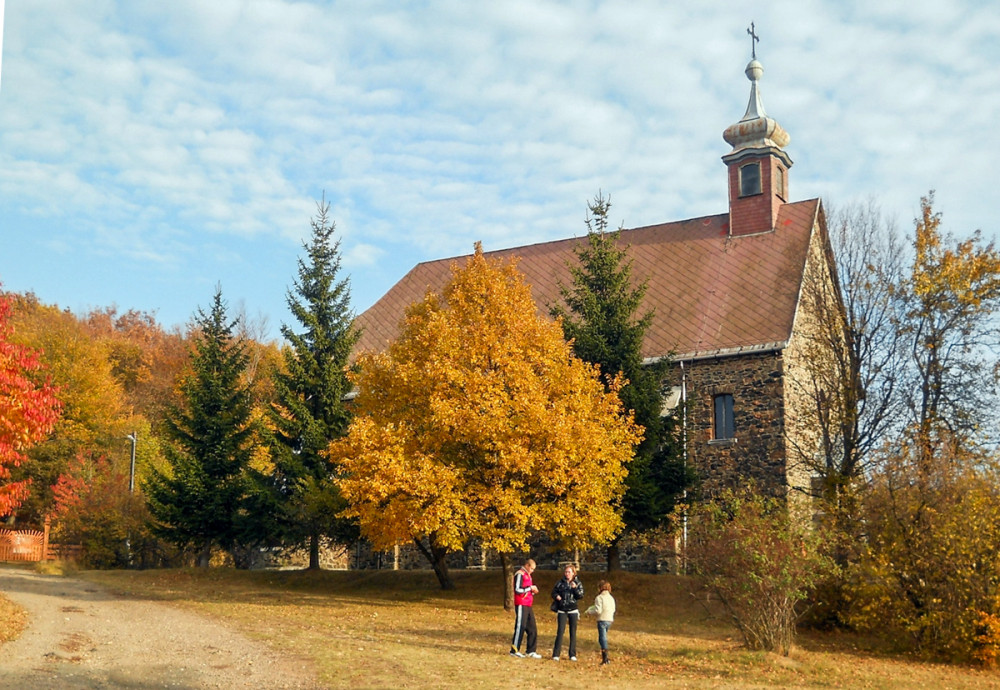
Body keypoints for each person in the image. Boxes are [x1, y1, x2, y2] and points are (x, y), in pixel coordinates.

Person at [550, 563, 584, 661]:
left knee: (573, 633)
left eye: (569, 572)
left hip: (573, 609)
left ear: (573, 573)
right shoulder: (560, 582)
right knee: (560, 632)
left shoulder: (577, 583)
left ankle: (572, 654)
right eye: (566, 572)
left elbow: (580, 595)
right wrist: (557, 596)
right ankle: (556, 654)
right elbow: (553, 592)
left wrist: (575, 588)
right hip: (562, 609)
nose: (567, 574)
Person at [510, 558, 541, 658]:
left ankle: (531, 650)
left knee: (532, 627)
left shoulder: (528, 576)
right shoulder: (520, 574)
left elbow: (526, 590)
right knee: (520, 626)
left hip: (528, 604)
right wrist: (530, 588)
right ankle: (514, 650)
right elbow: (518, 589)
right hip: (521, 604)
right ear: (527, 566)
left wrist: (532, 591)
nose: (532, 571)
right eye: (531, 568)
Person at [585, 580, 616, 665]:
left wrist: (589, 612)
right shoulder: (611, 598)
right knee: (604, 637)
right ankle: (605, 657)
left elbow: (598, 610)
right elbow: (613, 609)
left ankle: (605, 658)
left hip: (602, 619)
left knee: (602, 638)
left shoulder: (599, 598)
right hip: (610, 619)